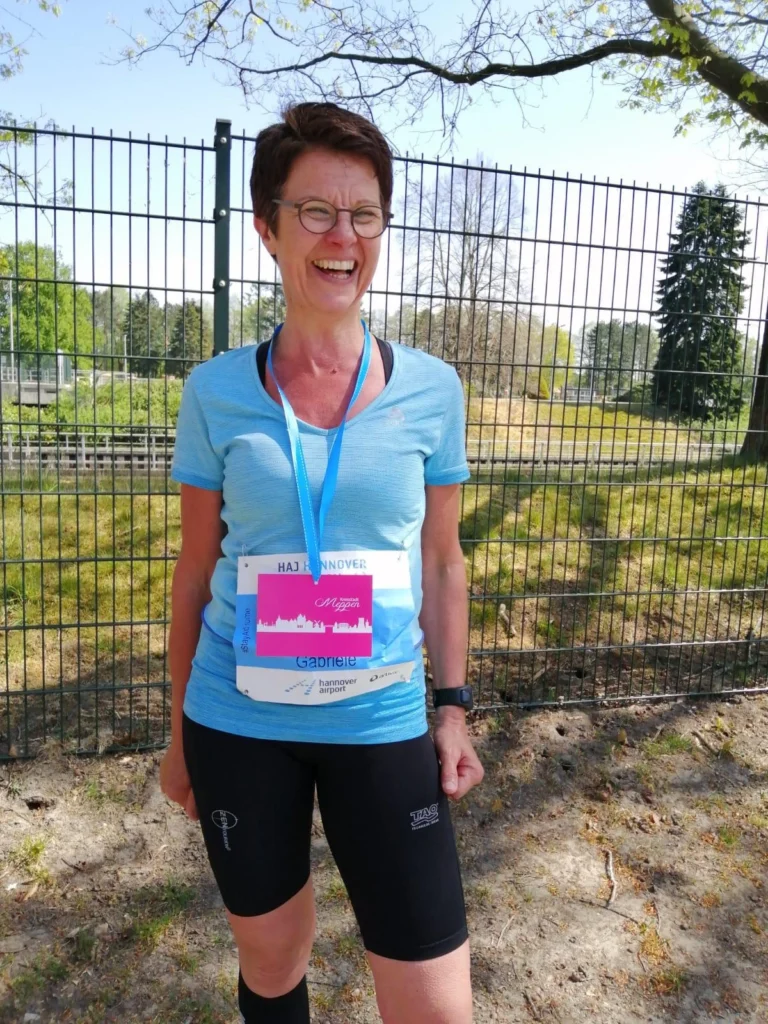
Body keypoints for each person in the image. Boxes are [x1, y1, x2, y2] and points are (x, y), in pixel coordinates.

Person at [160, 101, 484, 1024]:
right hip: (238, 719)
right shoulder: (215, 392)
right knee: (272, 964)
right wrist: (180, 731)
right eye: (315, 211)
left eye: (365, 213)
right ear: (268, 228)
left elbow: (443, 562)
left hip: (381, 719)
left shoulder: (432, 390)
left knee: (433, 1005)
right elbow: (193, 574)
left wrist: (452, 709)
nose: (343, 236)